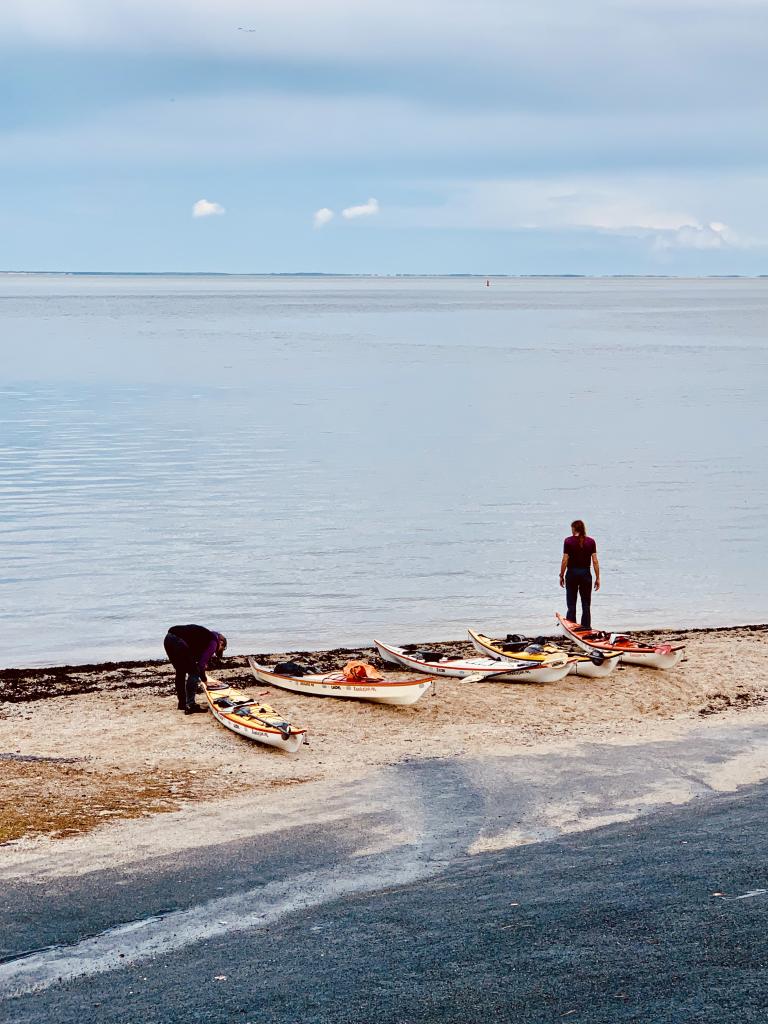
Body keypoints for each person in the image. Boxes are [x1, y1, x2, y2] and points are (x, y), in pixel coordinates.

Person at [163, 624, 227, 715]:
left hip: (168, 639)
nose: (217, 651)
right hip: (179, 642)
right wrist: (205, 681)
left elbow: (194, 654)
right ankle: (191, 705)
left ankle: (182, 704)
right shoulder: (214, 642)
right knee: (194, 672)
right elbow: (200, 665)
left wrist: (201, 664)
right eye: (222, 648)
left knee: (180, 671)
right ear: (221, 642)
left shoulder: (204, 637)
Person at [559, 520, 600, 629]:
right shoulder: (591, 542)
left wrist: (561, 575)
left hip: (572, 573)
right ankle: (586, 626)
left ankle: (571, 625)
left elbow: (565, 560)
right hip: (586, 574)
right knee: (586, 603)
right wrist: (597, 578)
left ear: (574, 528)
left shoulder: (568, 541)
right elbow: (595, 561)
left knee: (571, 603)